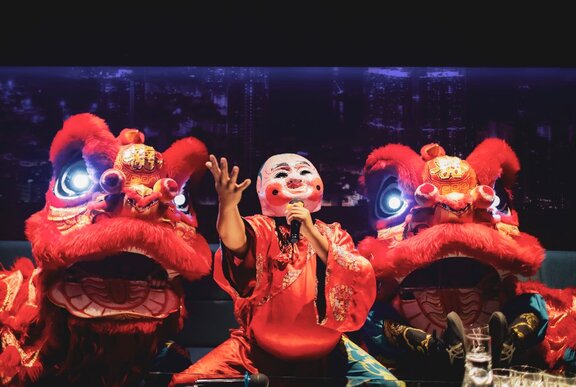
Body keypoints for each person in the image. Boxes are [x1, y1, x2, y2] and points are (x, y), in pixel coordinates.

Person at [171, 153, 400, 386]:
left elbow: (357, 272)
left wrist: (311, 233)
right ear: (262, 188)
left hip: (329, 354)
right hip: (256, 354)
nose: (294, 179)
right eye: (281, 174)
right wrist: (228, 206)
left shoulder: (334, 234)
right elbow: (235, 241)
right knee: (186, 383)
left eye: (303, 172)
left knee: (388, 384)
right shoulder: (262, 228)